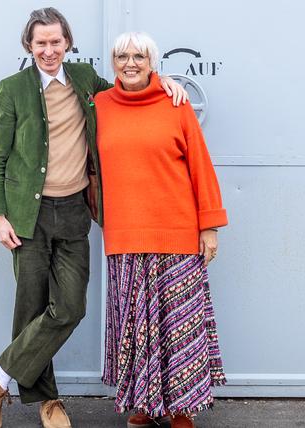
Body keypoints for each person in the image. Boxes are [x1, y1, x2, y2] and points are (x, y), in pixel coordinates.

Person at [0, 9, 188, 428]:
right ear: (28, 46)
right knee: (31, 307)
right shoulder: (12, 89)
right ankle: (47, 402)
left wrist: (162, 81)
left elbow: (130, 92)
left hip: (74, 210)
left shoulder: (85, 81)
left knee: (69, 308)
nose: (49, 50)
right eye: (41, 43)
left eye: (56, 42)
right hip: (27, 215)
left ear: (67, 43)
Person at [94, 32, 228, 428]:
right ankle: (144, 405)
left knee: (178, 327)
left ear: (153, 62)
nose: (130, 62)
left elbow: (200, 166)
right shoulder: (99, 105)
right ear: (113, 62)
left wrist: (210, 226)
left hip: (178, 233)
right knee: (137, 328)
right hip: (125, 235)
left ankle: (180, 407)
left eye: (139, 56)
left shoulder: (176, 103)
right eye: (122, 56)